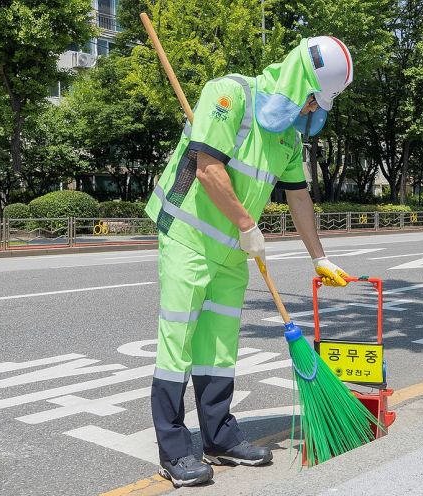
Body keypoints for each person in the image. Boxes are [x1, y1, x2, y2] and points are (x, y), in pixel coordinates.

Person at [144, 36, 354, 487]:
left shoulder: (286, 138)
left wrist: (319, 258)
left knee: (219, 345)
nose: (313, 111)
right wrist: (247, 225)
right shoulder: (229, 95)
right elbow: (208, 169)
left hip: (232, 249)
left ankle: (219, 437)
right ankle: (175, 451)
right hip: (187, 237)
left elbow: (299, 196)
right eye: (314, 100)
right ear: (300, 85)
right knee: (178, 340)